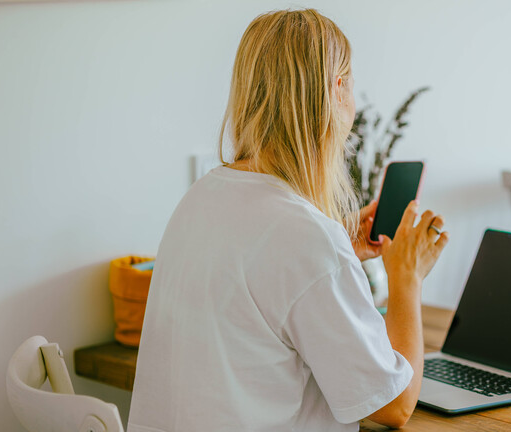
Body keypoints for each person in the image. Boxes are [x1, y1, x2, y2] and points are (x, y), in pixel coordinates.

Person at [128, 9, 448, 432]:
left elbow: (257, 294)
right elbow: (392, 407)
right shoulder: (306, 239)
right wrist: (407, 278)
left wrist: (338, 252)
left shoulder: (202, 198)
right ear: (338, 91)